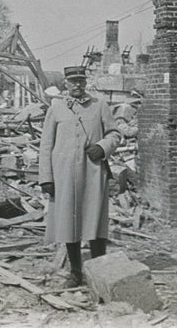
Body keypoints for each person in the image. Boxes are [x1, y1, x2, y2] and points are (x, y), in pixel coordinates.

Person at [38, 65, 122, 287]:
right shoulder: (56, 108)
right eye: (73, 81)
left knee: (95, 220)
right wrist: (46, 177)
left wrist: (103, 147)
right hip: (63, 174)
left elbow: (115, 133)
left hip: (93, 172)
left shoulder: (100, 105)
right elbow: (46, 145)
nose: (77, 85)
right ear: (65, 83)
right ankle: (76, 272)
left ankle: (99, 270)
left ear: (86, 83)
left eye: (81, 81)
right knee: (69, 221)